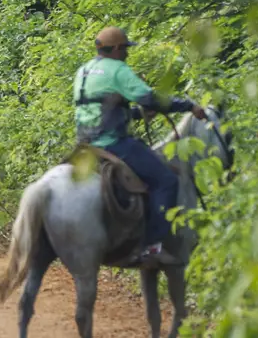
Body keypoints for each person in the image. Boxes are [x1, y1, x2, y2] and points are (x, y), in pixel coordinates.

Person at [73, 26, 206, 263]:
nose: (126, 53)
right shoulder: (117, 69)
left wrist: (134, 114)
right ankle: (152, 246)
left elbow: (97, 109)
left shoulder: (84, 71)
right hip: (112, 143)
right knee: (166, 180)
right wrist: (187, 106)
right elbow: (151, 98)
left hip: (84, 145)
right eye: (124, 48)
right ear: (114, 49)